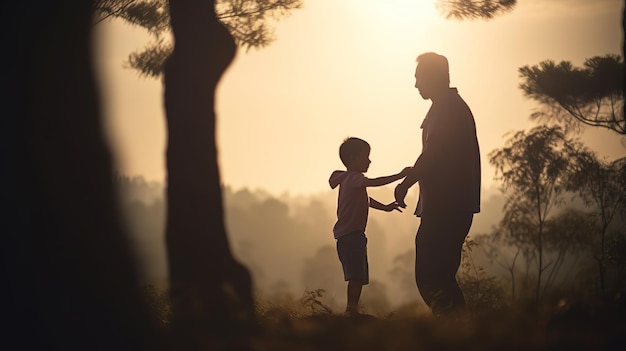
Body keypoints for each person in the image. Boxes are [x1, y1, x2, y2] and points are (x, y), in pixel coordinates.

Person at [394, 52, 481, 316]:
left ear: (435, 76)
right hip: (450, 206)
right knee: (439, 275)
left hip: (446, 207)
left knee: (431, 276)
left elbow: (434, 152)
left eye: (420, 78)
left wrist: (407, 182)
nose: (416, 85)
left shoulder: (447, 108)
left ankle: (456, 332)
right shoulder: (446, 107)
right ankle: (458, 332)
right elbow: (438, 155)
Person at [329, 137, 411, 316]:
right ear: (352, 159)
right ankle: (351, 310)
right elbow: (374, 182)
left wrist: (386, 207)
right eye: (365, 156)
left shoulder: (350, 180)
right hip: (351, 236)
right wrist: (399, 175)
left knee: (358, 276)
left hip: (351, 235)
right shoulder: (354, 178)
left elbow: (366, 200)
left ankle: (352, 309)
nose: (369, 160)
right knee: (356, 276)